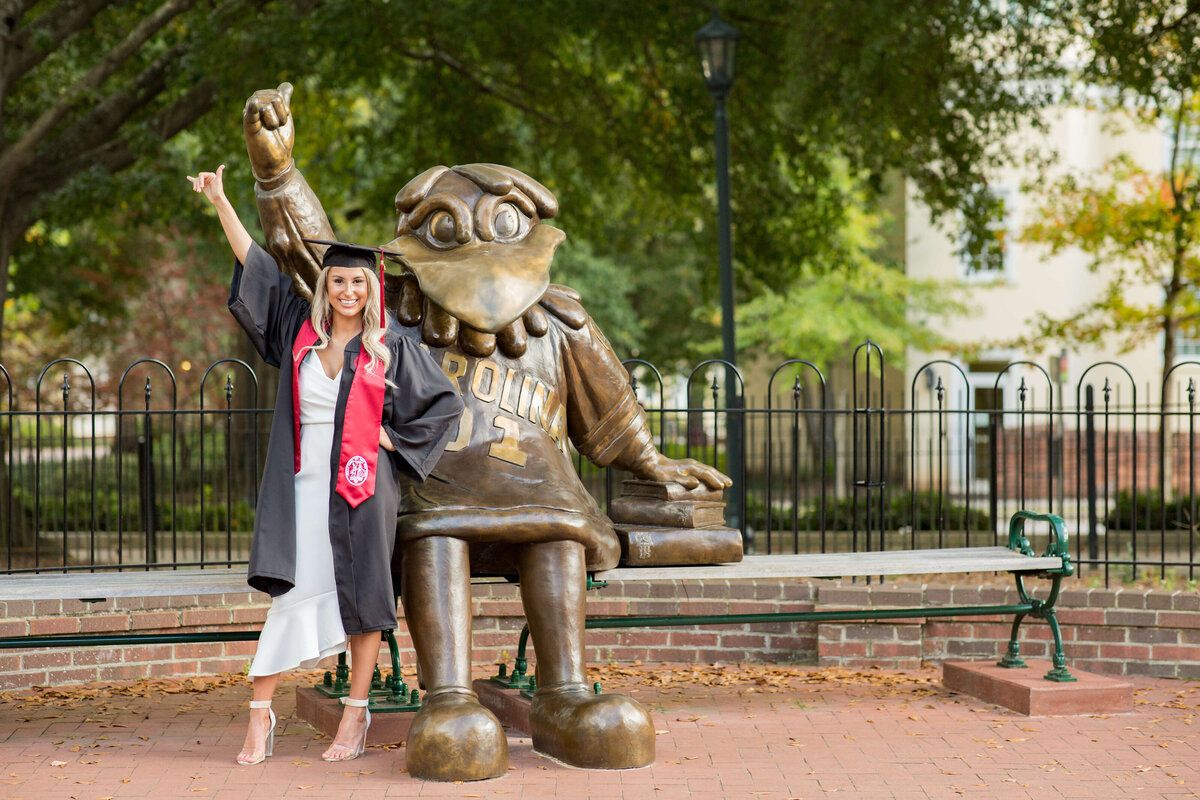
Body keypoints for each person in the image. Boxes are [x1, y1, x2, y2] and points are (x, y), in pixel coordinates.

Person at [187, 164, 464, 766]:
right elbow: (258, 268)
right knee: (290, 597)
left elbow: (444, 408)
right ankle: (259, 718)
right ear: (326, 287)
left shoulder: (391, 349)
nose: (347, 292)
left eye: (357, 284)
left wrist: (395, 442)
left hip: (364, 489)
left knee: (366, 601)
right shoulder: (298, 331)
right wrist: (221, 202)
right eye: (338, 281)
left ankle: (354, 718)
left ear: (371, 290)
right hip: (303, 485)